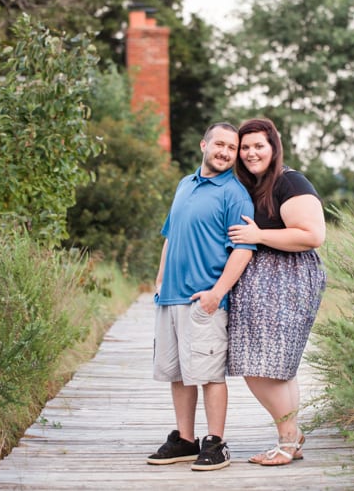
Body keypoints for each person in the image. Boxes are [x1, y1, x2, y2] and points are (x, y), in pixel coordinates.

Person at [147, 122, 256, 471]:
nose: (226, 152)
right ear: (203, 145)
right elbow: (170, 234)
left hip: (204, 302)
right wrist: (161, 278)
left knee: (209, 374)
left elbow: (243, 249)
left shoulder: (234, 193)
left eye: (232, 147)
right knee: (178, 373)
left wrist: (216, 294)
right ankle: (185, 439)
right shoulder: (185, 184)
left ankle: (215, 442)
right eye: (220, 144)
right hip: (170, 298)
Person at [226, 117, 327, 466]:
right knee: (274, 366)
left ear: (273, 147)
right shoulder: (252, 185)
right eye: (246, 147)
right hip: (263, 282)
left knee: (262, 365)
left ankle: (287, 441)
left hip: (291, 278)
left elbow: (312, 235)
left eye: (259, 146)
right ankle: (291, 437)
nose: (251, 153)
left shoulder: (289, 181)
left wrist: (259, 236)